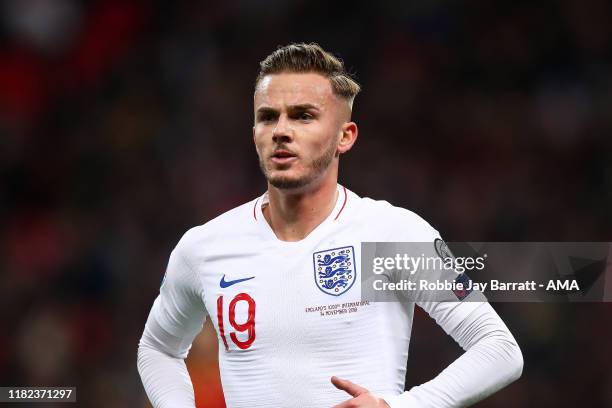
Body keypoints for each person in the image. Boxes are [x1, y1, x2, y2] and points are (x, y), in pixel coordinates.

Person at [137, 43, 523, 408]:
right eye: (267, 116)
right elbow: (157, 348)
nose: (281, 131)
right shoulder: (205, 247)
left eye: (303, 116)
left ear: (345, 136)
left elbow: (498, 349)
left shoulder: (390, 234)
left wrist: (401, 405)